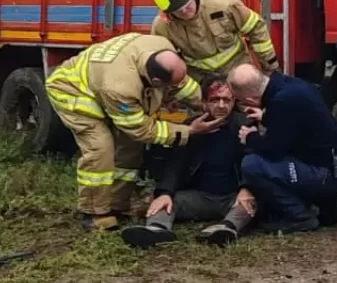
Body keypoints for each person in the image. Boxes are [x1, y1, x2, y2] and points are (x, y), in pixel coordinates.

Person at [46, 34, 218, 231]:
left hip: (100, 81)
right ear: (155, 81)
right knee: (100, 148)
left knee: (130, 147)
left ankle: (117, 204)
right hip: (73, 90)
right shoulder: (120, 88)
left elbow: (181, 83)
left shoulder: (164, 49)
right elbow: (142, 130)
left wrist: (204, 104)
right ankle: (94, 213)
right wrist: (188, 131)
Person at [120, 74, 257, 248]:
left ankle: (226, 229)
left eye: (226, 100)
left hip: (233, 198)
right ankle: (157, 230)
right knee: (166, 200)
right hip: (198, 197)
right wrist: (165, 192)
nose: (221, 105)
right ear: (204, 103)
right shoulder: (192, 127)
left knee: (252, 202)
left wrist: (247, 188)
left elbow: (254, 160)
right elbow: (175, 164)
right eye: (215, 100)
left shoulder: (245, 124)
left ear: (233, 101)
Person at [226, 63, 337, 236]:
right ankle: (327, 203)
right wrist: (266, 116)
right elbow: (296, 124)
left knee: (252, 164)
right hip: (333, 165)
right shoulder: (292, 86)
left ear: (250, 100)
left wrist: (250, 137)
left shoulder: (281, 101)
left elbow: (273, 151)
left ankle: (300, 216)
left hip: (325, 173)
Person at [149, 0, 279, 76]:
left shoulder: (225, 5)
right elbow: (161, 63)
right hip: (198, 79)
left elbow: (256, 28)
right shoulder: (162, 26)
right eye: (177, 11)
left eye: (187, 5)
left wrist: (270, 67)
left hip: (237, 71)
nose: (184, 11)